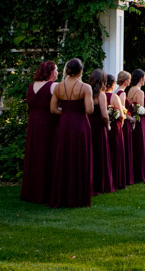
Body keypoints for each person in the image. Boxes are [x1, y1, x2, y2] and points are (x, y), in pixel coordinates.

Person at [49, 58, 95, 208]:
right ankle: (79, 196)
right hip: (80, 124)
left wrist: (67, 111)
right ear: (80, 71)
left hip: (64, 124)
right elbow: (89, 110)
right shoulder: (85, 87)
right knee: (80, 156)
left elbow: (53, 109)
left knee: (63, 156)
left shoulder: (58, 87)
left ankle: (61, 195)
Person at [21, 60, 59, 204]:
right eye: (55, 70)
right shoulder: (54, 86)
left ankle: (31, 190)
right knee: (47, 153)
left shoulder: (31, 86)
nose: (57, 72)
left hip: (33, 123)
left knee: (34, 154)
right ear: (50, 72)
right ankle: (45, 191)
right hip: (48, 123)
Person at [88, 69, 114, 195]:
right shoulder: (101, 94)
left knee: (91, 154)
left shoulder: (87, 92)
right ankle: (101, 184)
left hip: (88, 126)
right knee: (100, 153)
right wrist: (108, 125)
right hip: (98, 126)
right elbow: (104, 115)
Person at [127, 69, 145, 184]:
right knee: (141, 147)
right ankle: (141, 174)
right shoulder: (140, 92)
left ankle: (135, 172)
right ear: (141, 78)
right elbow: (140, 110)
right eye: (144, 77)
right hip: (140, 122)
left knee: (135, 146)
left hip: (133, 120)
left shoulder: (130, 90)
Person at [105, 74, 127, 191]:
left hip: (104, 127)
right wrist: (121, 122)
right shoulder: (114, 97)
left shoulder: (99, 95)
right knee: (116, 151)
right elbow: (121, 115)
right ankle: (117, 179)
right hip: (114, 127)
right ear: (113, 84)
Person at [116, 70, 135, 186]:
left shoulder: (116, 91)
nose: (130, 81)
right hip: (125, 123)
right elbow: (123, 110)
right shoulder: (122, 93)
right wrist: (131, 118)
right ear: (126, 80)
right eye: (129, 79)